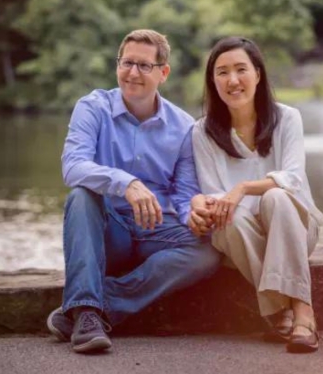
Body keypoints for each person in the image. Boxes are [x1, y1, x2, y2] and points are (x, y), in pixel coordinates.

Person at [47, 29, 221, 354]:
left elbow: (184, 195)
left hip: (156, 231)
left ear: (163, 72)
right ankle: (86, 315)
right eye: (127, 63)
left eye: (144, 65)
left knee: (207, 252)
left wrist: (194, 215)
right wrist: (125, 182)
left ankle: (93, 306)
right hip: (108, 229)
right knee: (81, 197)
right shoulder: (93, 107)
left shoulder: (184, 127)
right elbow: (72, 167)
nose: (132, 73)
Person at [188, 36, 323, 354]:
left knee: (276, 198)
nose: (232, 80)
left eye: (240, 69)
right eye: (221, 72)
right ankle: (288, 310)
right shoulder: (202, 132)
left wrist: (244, 188)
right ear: (212, 81)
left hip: (294, 226)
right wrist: (211, 203)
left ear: (258, 74)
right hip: (238, 235)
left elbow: (291, 179)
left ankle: (297, 311)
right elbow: (213, 194)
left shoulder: (287, 118)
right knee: (229, 216)